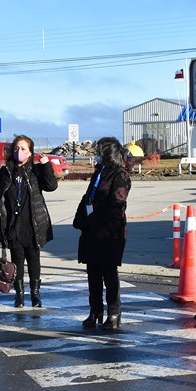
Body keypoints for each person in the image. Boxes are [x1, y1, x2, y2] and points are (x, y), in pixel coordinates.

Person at [0, 135, 58, 308]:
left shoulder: (35, 171)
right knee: (17, 260)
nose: (19, 152)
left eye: (23, 149)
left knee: (34, 259)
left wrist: (46, 165)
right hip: (13, 224)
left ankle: (35, 295)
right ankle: (19, 295)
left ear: (30, 152)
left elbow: (51, 186)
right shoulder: (5, 172)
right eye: (16, 148)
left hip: (33, 224)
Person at [73, 136, 131, 331]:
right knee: (93, 274)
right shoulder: (99, 172)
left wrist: (95, 217)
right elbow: (88, 197)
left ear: (108, 153)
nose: (96, 155)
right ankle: (95, 311)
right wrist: (82, 218)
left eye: (99, 151)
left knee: (109, 273)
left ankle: (114, 314)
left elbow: (117, 203)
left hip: (109, 233)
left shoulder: (119, 174)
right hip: (92, 231)